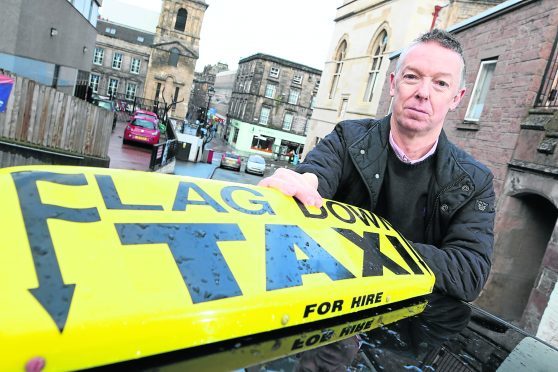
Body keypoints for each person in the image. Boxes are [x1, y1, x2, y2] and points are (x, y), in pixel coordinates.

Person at [258, 29, 495, 302]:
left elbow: (468, 273)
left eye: (441, 83)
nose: (422, 93)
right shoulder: (348, 138)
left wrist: (365, 247)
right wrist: (303, 183)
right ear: (393, 84)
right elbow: (316, 173)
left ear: (457, 98)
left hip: (409, 328)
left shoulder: (474, 181)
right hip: (328, 310)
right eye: (412, 77)